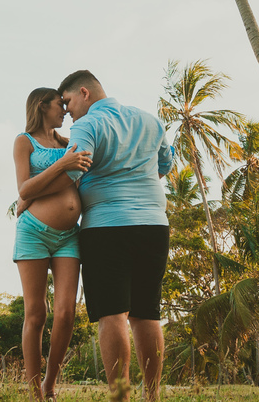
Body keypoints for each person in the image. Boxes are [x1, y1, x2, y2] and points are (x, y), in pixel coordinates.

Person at [59, 70, 173, 402]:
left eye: (68, 103)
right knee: (146, 312)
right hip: (154, 224)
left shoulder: (87, 125)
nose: (67, 112)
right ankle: (151, 397)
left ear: (84, 93)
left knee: (112, 314)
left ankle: (121, 398)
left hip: (106, 226)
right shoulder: (149, 121)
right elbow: (165, 164)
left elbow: (72, 168)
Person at [13, 87, 93, 402]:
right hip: (33, 232)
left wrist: (31, 194)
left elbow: (74, 178)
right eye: (60, 105)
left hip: (68, 236)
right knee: (36, 313)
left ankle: (50, 382)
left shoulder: (66, 142)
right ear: (42, 106)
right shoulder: (24, 141)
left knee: (66, 314)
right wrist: (61, 166)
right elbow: (23, 187)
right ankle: (35, 393)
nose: (65, 110)